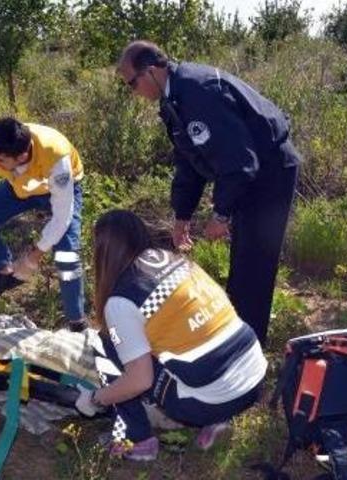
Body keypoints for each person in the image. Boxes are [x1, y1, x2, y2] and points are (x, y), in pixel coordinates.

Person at [117, 40, 300, 345]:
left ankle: (249, 347)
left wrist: (221, 213)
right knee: (243, 257)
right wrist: (182, 215)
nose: (133, 92)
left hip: (270, 172)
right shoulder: (173, 98)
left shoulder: (198, 93)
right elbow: (189, 161)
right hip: (247, 171)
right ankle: (239, 333)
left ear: (150, 72)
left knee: (254, 260)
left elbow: (241, 161)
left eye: (131, 83)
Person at [74, 210, 266, 461]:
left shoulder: (121, 301)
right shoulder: (176, 260)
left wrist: (96, 399)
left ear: (103, 252)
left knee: (107, 344)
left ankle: (138, 440)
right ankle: (217, 417)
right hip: (254, 381)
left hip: (214, 399)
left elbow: (140, 380)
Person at [0, 118, 88, 331]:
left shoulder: (56, 159)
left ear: (21, 156)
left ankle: (77, 321)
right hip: (20, 187)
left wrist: (32, 257)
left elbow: (61, 217)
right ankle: (6, 272)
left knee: (67, 257)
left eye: (0, 160)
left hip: (61, 190)